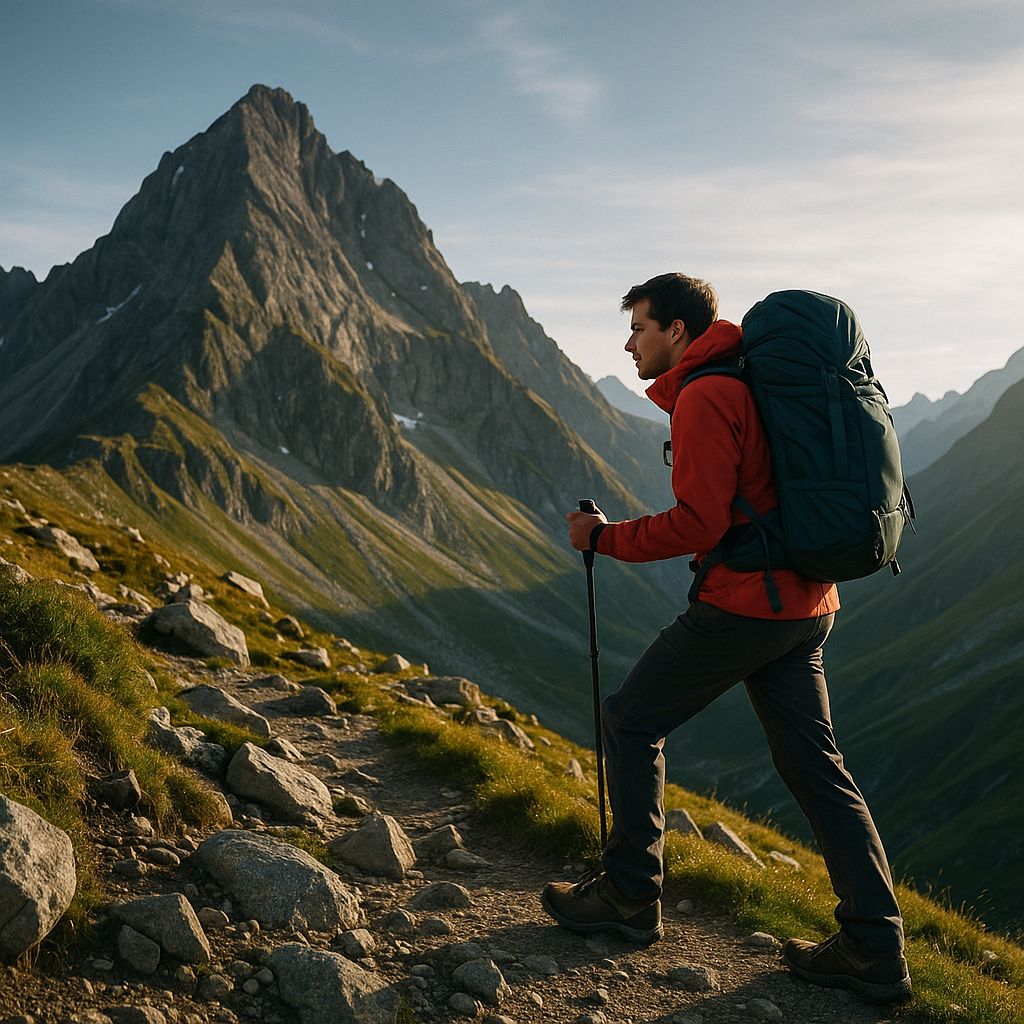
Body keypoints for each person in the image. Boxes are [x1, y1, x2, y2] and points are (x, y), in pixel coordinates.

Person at [541, 273, 911, 1004]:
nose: (629, 342)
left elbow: (699, 525)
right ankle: (875, 945)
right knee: (817, 767)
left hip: (747, 605)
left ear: (678, 331)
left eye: (641, 328)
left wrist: (605, 538)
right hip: (807, 602)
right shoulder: (743, 377)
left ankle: (627, 894)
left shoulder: (709, 394)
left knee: (630, 717)